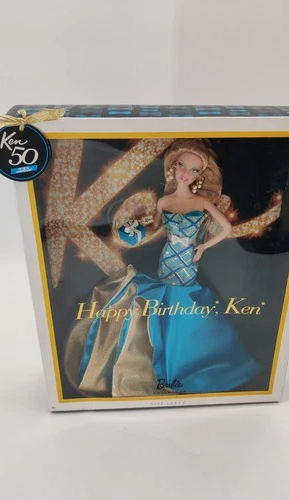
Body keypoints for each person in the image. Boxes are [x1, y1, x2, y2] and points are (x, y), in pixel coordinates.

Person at [63, 139, 262, 397]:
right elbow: (154, 227)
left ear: (201, 175)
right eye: (182, 165)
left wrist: (203, 246)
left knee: (182, 300)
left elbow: (225, 228)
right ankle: (158, 354)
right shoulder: (164, 202)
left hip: (187, 258)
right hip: (168, 257)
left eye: (194, 170)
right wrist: (133, 228)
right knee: (167, 301)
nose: (186, 173)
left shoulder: (202, 203)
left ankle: (186, 358)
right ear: (173, 167)